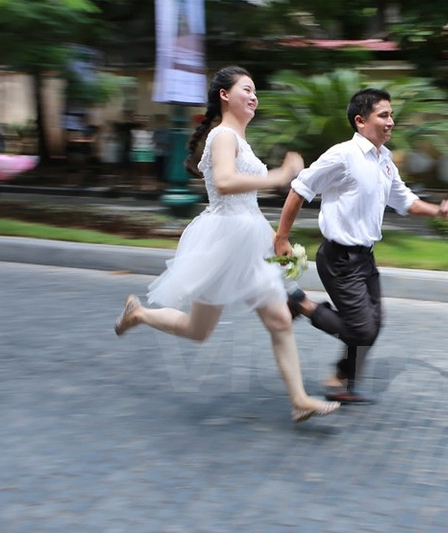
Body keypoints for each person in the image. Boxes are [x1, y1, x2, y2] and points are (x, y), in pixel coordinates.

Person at [113, 66, 339, 424]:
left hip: (249, 238)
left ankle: (299, 399)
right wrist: (278, 176)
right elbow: (224, 180)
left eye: (255, 91)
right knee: (198, 331)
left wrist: (276, 241)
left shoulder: (239, 139)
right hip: (222, 243)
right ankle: (139, 313)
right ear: (224, 95)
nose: (253, 96)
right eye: (246, 89)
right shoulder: (222, 136)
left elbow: (247, 205)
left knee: (280, 318)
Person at [274, 88, 448, 404]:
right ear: (360, 121)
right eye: (383, 115)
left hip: (365, 258)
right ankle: (301, 304)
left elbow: (405, 201)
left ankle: (339, 379)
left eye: (392, 115)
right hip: (339, 257)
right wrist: (281, 237)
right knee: (362, 330)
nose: (391, 122)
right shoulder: (342, 155)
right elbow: (300, 189)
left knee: (374, 325)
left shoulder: (384, 160)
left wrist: (435, 210)